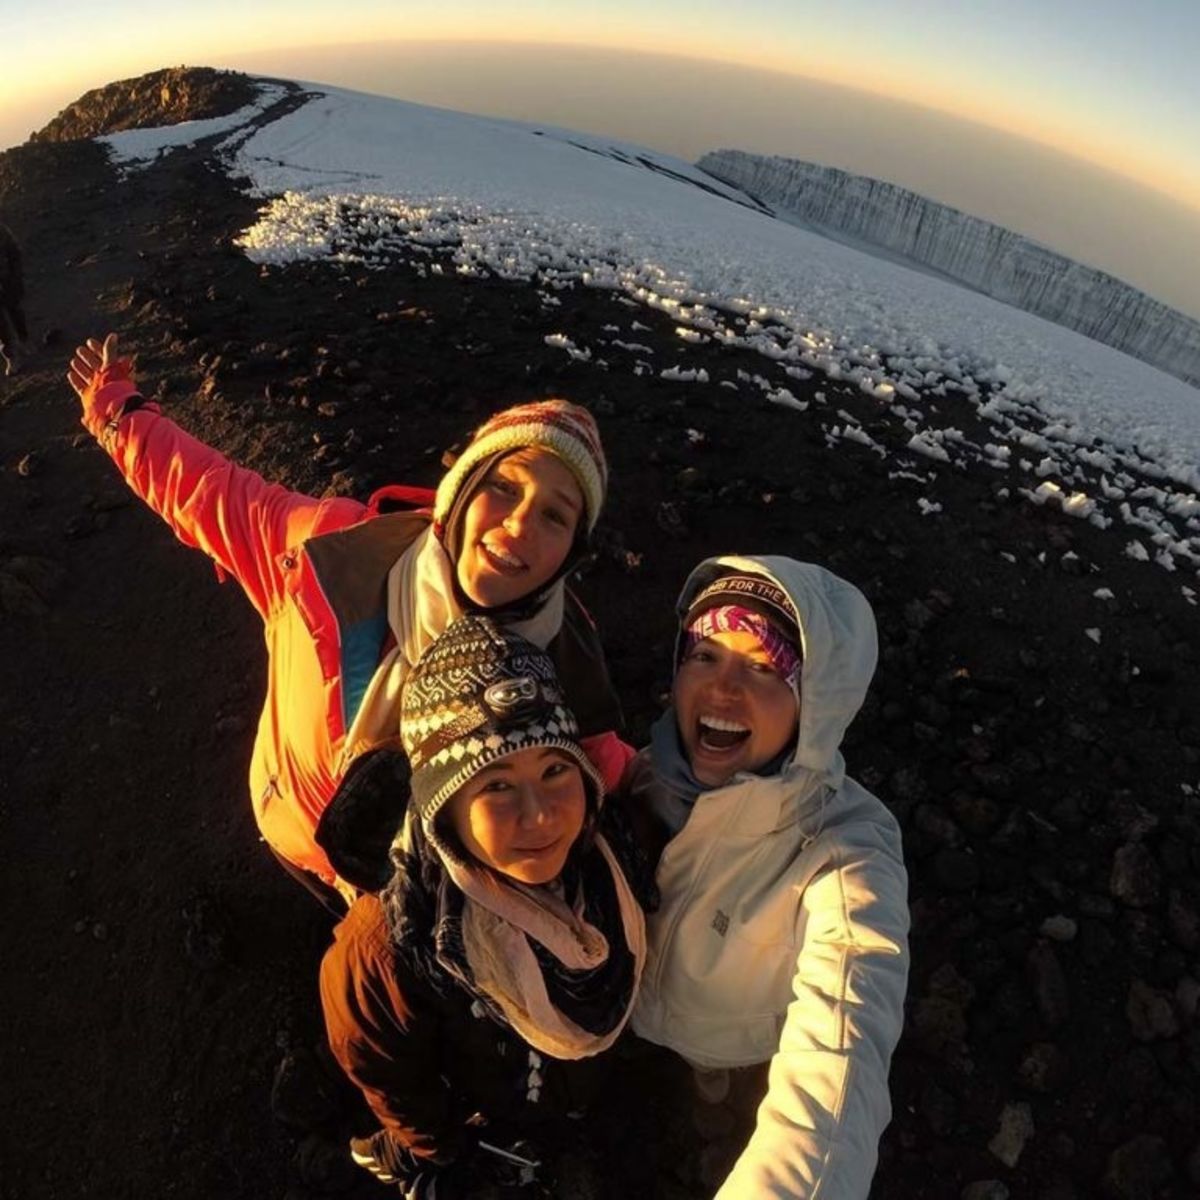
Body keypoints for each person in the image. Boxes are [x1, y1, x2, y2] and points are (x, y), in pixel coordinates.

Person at [66, 332, 630, 908]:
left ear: (573, 551)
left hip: (418, 902)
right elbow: (209, 490)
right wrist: (119, 412)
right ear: (458, 495)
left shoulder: (567, 658)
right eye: (504, 486)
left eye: (556, 515)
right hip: (292, 827)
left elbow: (612, 775)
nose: (519, 524)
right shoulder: (332, 556)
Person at [320, 615, 647, 1198]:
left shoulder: (612, 855)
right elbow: (386, 1070)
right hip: (480, 1107)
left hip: (562, 1088)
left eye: (554, 770)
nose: (541, 814)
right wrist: (440, 1144)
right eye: (495, 785)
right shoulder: (396, 948)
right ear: (443, 808)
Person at [626, 556, 910, 1199]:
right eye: (704, 655)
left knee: (711, 1069)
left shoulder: (843, 852)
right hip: (627, 1009)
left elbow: (841, 1055)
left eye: (762, 667)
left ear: (816, 705)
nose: (723, 690)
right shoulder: (639, 776)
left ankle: (711, 1079)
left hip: (727, 1033)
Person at [0, 221, 28, 377]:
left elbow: (14, 252)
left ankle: (23, 342)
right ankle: (11, 355)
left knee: (16, 311)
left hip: (8, 280)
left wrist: (15, 277)